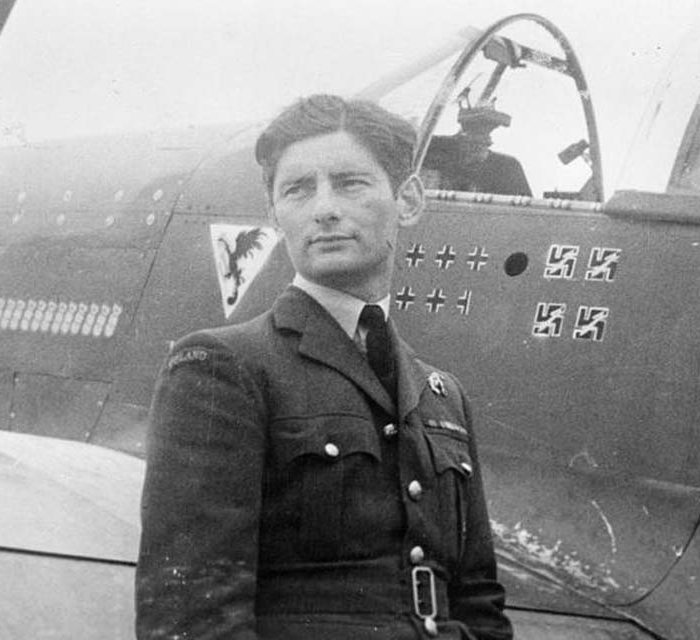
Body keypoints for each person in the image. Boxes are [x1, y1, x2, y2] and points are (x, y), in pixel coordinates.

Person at [136, 94, 512, 640]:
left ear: (407, 200)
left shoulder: (442, 396)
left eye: (350, 182)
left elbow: (479, 600)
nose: (323, 208)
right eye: (297, 189)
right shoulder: (224, 368)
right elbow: (192, 612)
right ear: (274, 214)